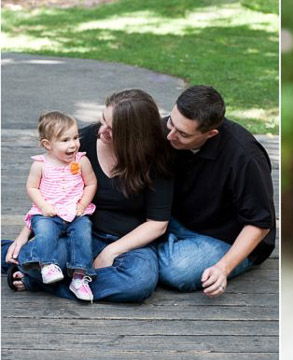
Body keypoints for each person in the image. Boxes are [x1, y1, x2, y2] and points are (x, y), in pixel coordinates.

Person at [4, 89, 173, 302]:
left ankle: (33, 280)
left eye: (113, 130)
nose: (102, 131)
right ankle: (28, 264)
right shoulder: (79, 143)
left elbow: (157, 224)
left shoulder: (156, 157)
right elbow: (49, 192)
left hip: (130, 243)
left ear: (134, 136)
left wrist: (110, 252)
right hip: (79, 234)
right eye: (103, 121)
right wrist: (24, 233)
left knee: (138, 281)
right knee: (45, 261)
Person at [157, 85, 275, 298]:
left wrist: (223, 268)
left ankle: (151, 248)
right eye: (171, 123)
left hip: (224, 237)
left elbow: (259, 224)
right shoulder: (170, 129)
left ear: (210, 134)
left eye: (182, 134)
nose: (170, 135)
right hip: (178, 219)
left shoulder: (245, 156)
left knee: (177, 270)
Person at [9, 111, 98, 301]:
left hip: (75, 211)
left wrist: (82, 204)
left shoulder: (81, 160)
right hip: (48, 212)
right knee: (45, 233)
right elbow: (32, 187)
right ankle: (47, 265)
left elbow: (91, 183)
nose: (73, 144)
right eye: (65, 140)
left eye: (75, 137)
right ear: (47, 145)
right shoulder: (40, 165)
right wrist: (44, 206)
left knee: (83, 233)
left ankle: (79, 276)